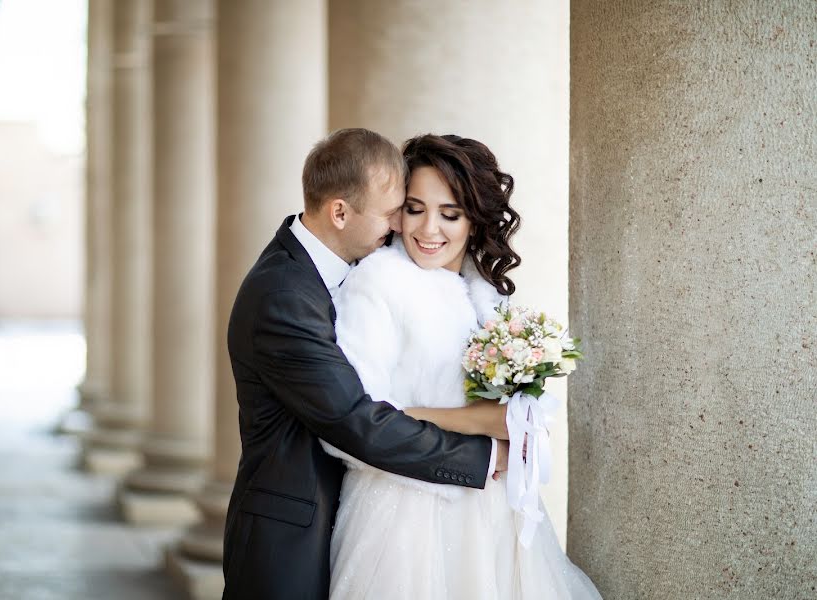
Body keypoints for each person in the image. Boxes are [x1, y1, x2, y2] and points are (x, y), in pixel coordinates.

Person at [222, 128, 510, 599]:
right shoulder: (284, 296)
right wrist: (482, 456)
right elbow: (354, 419)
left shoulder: (334, 271)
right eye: (396, 212)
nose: (402, 227)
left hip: (357, 509)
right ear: (340, 212)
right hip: (290, 533)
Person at [323, 134, 602, 598]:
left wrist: (515, 420)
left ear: (474, 221)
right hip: (406, 517)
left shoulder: (484, 296)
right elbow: (355, 424)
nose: (429, 228)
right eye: (414, 209)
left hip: (493, 513)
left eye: (450, 214)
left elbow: (523, 419)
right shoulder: (379, 283)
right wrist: (485, 426)